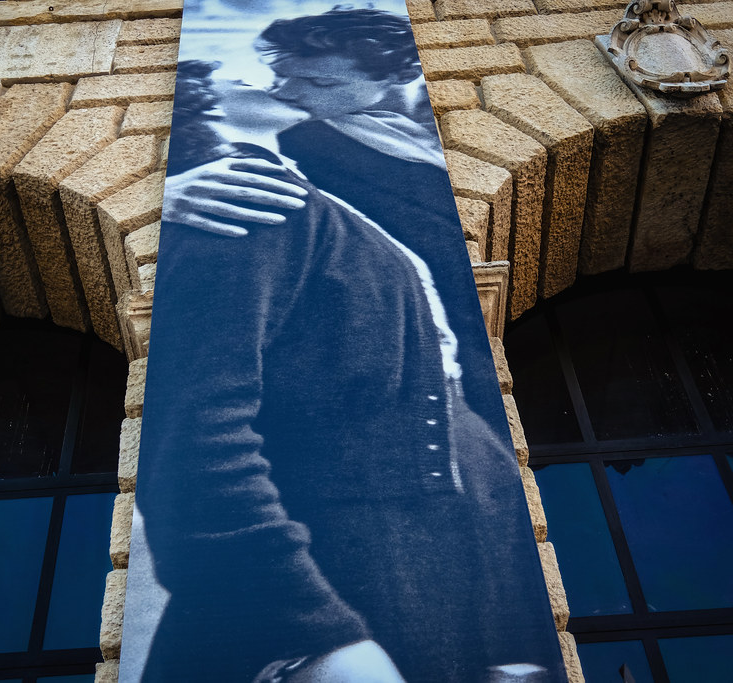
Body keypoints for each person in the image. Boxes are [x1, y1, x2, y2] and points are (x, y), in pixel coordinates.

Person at [138, 61, 564, 683]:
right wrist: (308, 634)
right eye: (236, 71)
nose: (276, 78)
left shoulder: (331, 205)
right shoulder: (244, 203)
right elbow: (195, 439)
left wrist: (509, 616)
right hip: (347, 610)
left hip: (447, 607)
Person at [160, 8, 500, 421]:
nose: (285, 92)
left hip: (477, 332)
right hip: (400, 357)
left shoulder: (455, 128)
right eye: (280, 75)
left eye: (319, 80)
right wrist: (172, 191)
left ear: (395, 75)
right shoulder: (307, 138)